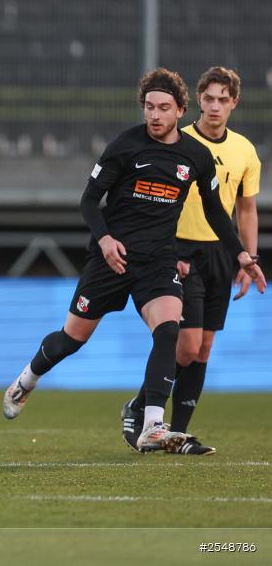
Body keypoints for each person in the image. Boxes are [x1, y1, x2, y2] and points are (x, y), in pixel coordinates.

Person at [2, 68, 265, 453]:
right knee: (71, 340)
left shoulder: (196, 157)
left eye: (163, 108)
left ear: (179, 110)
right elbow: (89, 201)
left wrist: (242, 254)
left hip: (159, 261)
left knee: (169, 329)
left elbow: (215, 212)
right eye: (148, 107)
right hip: (113, 259)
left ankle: (152, 425)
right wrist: (106, 239)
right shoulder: (126, 146)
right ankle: (27, 378)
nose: (154, 115)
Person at [121, 67, 262, 454]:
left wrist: (248, 258)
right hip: (180, 249)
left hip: (220, 253)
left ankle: (176, 435)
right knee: (184, 347)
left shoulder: (245, 151)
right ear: (197, 101)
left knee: (203, 350)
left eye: (223, 99)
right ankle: (140, 407)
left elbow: (245, 209)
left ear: (234, 103)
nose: (215, 106)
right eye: (209, 98)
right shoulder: (176, 141)